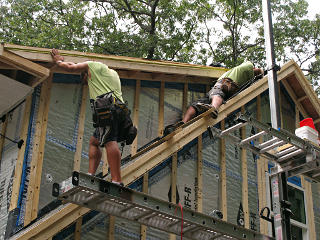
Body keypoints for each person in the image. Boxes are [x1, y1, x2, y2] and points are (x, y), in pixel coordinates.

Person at [51, 49, 136, 185]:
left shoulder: (92, 65)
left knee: (109, 141)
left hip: (107, 109)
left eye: (85, 80)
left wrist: (59, 61)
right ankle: (91, 175)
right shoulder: (113, 73)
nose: (87, 84)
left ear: (86, 74)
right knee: (94, 141)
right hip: (120, 111)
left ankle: (116, 180)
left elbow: (71, 67)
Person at [164, 61, 264, 134]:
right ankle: (183, 123)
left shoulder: (245, 67)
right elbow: (259, 72)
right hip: (220, 87)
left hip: (223, 84)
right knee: (196, 105)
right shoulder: (247, 70)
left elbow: (258, 71)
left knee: (217, 93)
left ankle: (213, 109)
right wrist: (261, 74)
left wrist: (260, 73)